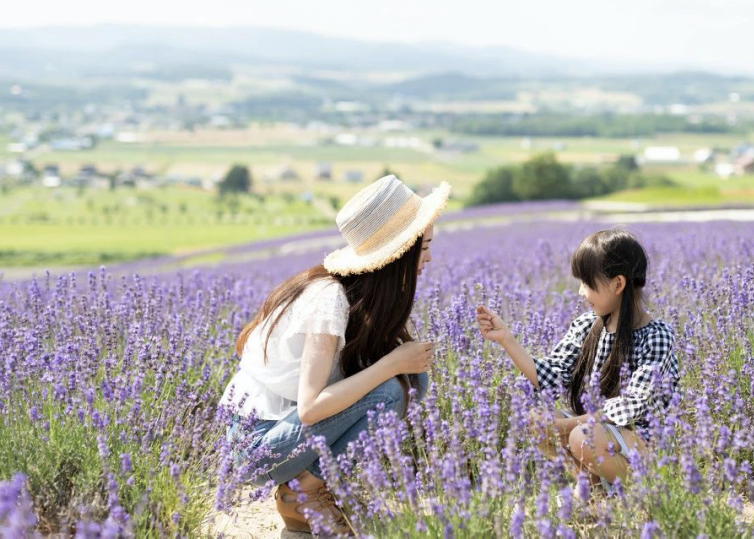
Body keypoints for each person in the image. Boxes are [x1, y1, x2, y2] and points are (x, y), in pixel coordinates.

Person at [219, 174, 450, 534]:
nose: (430, 258)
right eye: (423, 248)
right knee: (391, 389)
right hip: (256, 445)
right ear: (399, 255)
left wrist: (399, 364)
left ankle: (313, 488)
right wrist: (391, 363)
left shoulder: (360, 299)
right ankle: (302, 493)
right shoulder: (329, 300)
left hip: (284, 433)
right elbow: (311, 408)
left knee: (411, 379)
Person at [475, 227, 679, 488]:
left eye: (587, 283)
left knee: (582, 437)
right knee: (537, 420)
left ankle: (647, 489)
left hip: (643, 442)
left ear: (618, 284)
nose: (581, 292)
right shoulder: (587, 325)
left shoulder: (656, 335)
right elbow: (550, 376)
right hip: (598, 430)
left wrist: (565, 425)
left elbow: (631, 407)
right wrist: (506, 339)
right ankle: (594, 489)